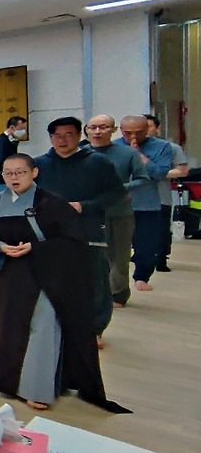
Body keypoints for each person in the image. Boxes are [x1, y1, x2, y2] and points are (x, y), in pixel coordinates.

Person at [0, 154, 127, 413]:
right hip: (6, 276)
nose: (14, 178)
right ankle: (8, 383)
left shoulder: (53, 203)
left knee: (43, 328)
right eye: (8, 173)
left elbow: (73, 241)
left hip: (45, 274)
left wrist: (36, 248)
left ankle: (37, 389)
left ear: (34, 173)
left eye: (20, 172)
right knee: (5, 328)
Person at [34, 117, 122, 339]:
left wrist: (84, 206)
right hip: (50, 233)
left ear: (79, 135)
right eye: (57, 136)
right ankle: (57, 326)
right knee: (52, 281)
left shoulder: (98, 162)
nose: (62, 140)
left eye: (69, 135)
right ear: (50, 138)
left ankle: (95, 329)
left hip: (88, 229)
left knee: (94, 280)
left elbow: (116, 194)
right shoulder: (38, 165)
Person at [84, 115, 147, 308]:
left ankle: (118, 293)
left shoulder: (128, 153)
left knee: (118, 255)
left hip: (118, 211)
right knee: (88, 255)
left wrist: (119, 188)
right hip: (87, 212)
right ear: (86, 130)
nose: (97, 132)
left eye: (103, 127)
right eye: (93, 127)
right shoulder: (80, 153)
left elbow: (143, 179)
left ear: (113, 129)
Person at [113, 115, 176, 292]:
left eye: (138, 132)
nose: (133, 137)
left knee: (147, 247)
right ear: (120, 131)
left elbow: (160, 173)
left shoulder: (162, 147)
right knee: (116, 248)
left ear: (147, 130)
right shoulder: (114, 147)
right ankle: (116, 285)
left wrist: (139, 156)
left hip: (147, 204)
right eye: (128, 133)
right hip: (118, 204)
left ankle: (142, 276)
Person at [144, 114, 190, 273]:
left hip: (160, 196)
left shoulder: (170, 148)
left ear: (157, 128)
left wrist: (157, 173)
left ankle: (161, 258)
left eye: (148, 126)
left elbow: (182, 171)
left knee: (161, 230)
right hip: (133, 197)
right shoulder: (127, 148)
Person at [0, 116, 28, 192]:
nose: (24, 132)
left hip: (8, 177)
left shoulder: (12, 140)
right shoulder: (1, 141)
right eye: (21, 129)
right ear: (12, 128)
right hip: (2, 179)